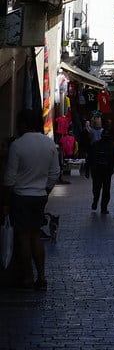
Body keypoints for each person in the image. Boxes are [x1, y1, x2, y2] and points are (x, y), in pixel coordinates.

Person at [1, 108, 60, 291]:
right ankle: (41, 276)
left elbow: (9, 177)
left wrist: (5, 202)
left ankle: (28, 276)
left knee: (23, 237)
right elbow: (55, 173)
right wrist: (46, 190)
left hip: (21, 196)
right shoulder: (49, 144)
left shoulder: (18, 145)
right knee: (36, 235)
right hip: (39, 196)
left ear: (24, 124)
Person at [89, 121, 114, 214]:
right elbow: (90, 157)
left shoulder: (112, 146)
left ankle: (103, 207)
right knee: (98, 189)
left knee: (105, 190)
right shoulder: (96, 145)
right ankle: (96, 201)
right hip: (98, 170)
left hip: (105, 171)